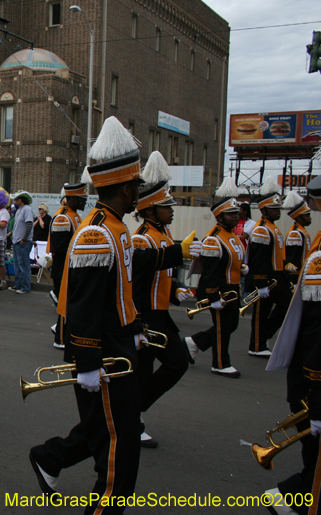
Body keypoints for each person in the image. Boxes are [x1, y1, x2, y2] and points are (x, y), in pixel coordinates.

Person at [30, 117, 197, 513]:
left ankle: (49, 457)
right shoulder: (96, 232)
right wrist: (87, 362)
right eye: (137, 184)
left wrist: (134, 329)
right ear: (125, 187)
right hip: (102, 355)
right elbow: (85, 305)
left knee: (111, 439)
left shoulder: (116, 228)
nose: (141, 190)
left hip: (118, 345)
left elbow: (118, 294)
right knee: (118, 457)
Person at [262, 172, 321, 515]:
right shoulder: (309, 243)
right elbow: (318, 329)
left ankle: (286, 498)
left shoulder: (310, 238)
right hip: (313, 377)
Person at [131, 151, 195, 447]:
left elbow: (161, 279)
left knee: (167, 365)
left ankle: (134, 413)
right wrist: (138, 322)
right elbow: (141, 276)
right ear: (149, 210)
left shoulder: (163, 234)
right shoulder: (142, 237)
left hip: (159, 313)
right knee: (169, 364)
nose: (172, 210)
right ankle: (134, 415)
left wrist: (175, 292)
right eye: (166, 205)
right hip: (146, 315)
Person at [185, 177, 247, 378]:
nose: (235, 217)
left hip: (232, 287)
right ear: (219, 216)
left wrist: (242, 267)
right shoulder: (213, 239)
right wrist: (213, 296)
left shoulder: (232, 235)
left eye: (236, 213)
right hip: (219, 288)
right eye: (230, 214)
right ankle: (220, 363)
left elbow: (232, 260)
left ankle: (194, 343)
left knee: (231, 325)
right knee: (222, 327)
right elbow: (209, 271)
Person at [247, 178, 291, 357]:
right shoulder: (261, 229)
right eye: (274, 209)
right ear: (264, 210)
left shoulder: (272, 227)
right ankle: (256, 345)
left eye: (278, 208)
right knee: (260, 314)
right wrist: (261, 282)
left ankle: (263, 337)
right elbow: (259, 258)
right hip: (266, 276)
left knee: (285, 307)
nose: (277, 212)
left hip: (278, 277)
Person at [48, 182, 87, 348]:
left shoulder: (74, 215)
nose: (84, 202)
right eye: (81, 199)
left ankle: (59, 329)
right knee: (66, 304)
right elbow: (61, 248)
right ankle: (60, 339)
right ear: (71, 199)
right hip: (64, 268)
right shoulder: (63, 217)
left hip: (70, 267)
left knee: (71, 304)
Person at [283, 190, 313, 286]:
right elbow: (293, 259)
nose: (310, 218)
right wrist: (294, 280)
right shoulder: (295, 234)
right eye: (307, 215)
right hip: (297, 278)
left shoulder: (302, 231)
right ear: (299, 217)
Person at [10, 191, 34, 294]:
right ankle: (18, 285)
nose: (15, 200)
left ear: (22, 199)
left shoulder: (27, 209)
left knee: (23, 265)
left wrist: (24, 238)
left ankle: (25, 287)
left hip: (22, 242)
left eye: (17, 198)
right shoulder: (19, 210)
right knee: (17, 264)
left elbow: (29, 224)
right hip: (17, 241)